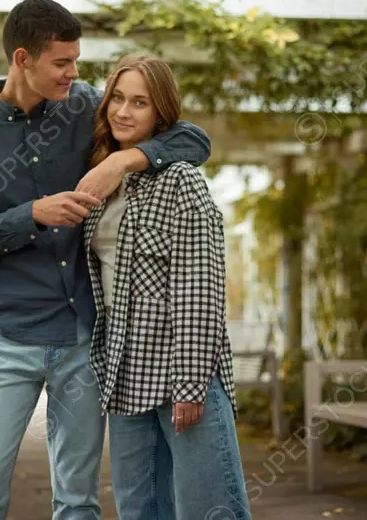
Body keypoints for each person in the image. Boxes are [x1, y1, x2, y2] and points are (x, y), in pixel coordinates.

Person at [0, 0, 212, 520]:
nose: (74, 72)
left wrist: (125, 160)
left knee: (79, 501)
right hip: (7, 337)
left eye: (76, 60)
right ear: (22, 59)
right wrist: (29, 214)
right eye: (62, 62)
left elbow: (192, 139)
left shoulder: (86, 107)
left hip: (84, 339)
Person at [82, 53, 251, 520]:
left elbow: (201, 288)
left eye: (140, 102)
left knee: (210, 508)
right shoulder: (104, 181)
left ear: (160, 113)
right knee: (139, 510)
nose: (123, 111)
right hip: (124, 369)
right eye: (117, 97)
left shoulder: (181, 182)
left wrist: (192, 383)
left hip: (180, 368)